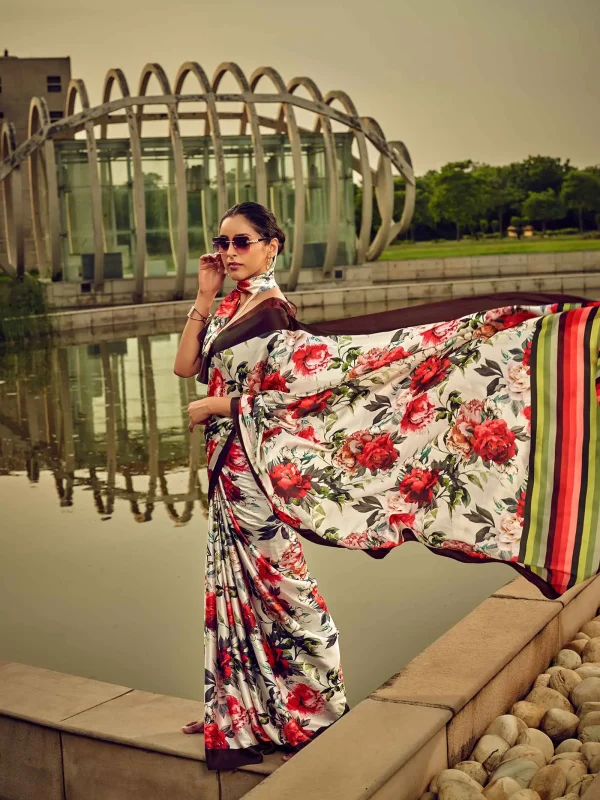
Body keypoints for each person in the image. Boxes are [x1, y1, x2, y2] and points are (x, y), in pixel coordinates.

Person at [173, 201, 600, 771]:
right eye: (221, 243)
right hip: (227, 467)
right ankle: (237, 706)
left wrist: (222, 404)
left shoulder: (273, 312)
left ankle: (320, 705)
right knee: (232, 587)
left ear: (273, 245)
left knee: (283, 585)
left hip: (257, 466)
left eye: (241, 242)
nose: (228, 253)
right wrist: (202, 299)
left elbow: (309, 394)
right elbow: (184, 366)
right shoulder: (229, 306)